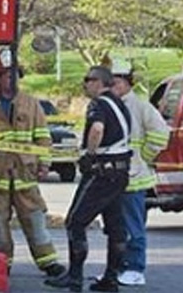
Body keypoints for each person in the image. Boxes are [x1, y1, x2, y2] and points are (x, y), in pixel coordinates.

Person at [0, 48, 66, 278]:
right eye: (7, 75)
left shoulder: (31, 104)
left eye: (15, 74)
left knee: (35, 221)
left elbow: (43, 136)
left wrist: (44, 163)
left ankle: (48, 263)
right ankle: (0, 265)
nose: (11, 79)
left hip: (25, 175)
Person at [45, 66, 132, 293]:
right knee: (116, 226)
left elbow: (97, 129)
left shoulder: (99, 104)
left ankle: (74, 278)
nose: (85, 84)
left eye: (88, 80)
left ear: (99, 82)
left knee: (75, 221)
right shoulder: (120, 104)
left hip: (102, 171)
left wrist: (89, 155)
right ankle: (111, 279)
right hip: (120, 172)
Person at [109, 61, 170, 287]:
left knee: (134, 227)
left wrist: (145, 155)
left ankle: (135, 268)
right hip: (112, 179)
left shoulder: (141, 107)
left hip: (134, 178)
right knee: (116, 228)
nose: (112, 87)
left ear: (127, 83)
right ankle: (118, 268)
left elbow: (161, 133)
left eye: (116, 82)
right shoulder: (110, 105)